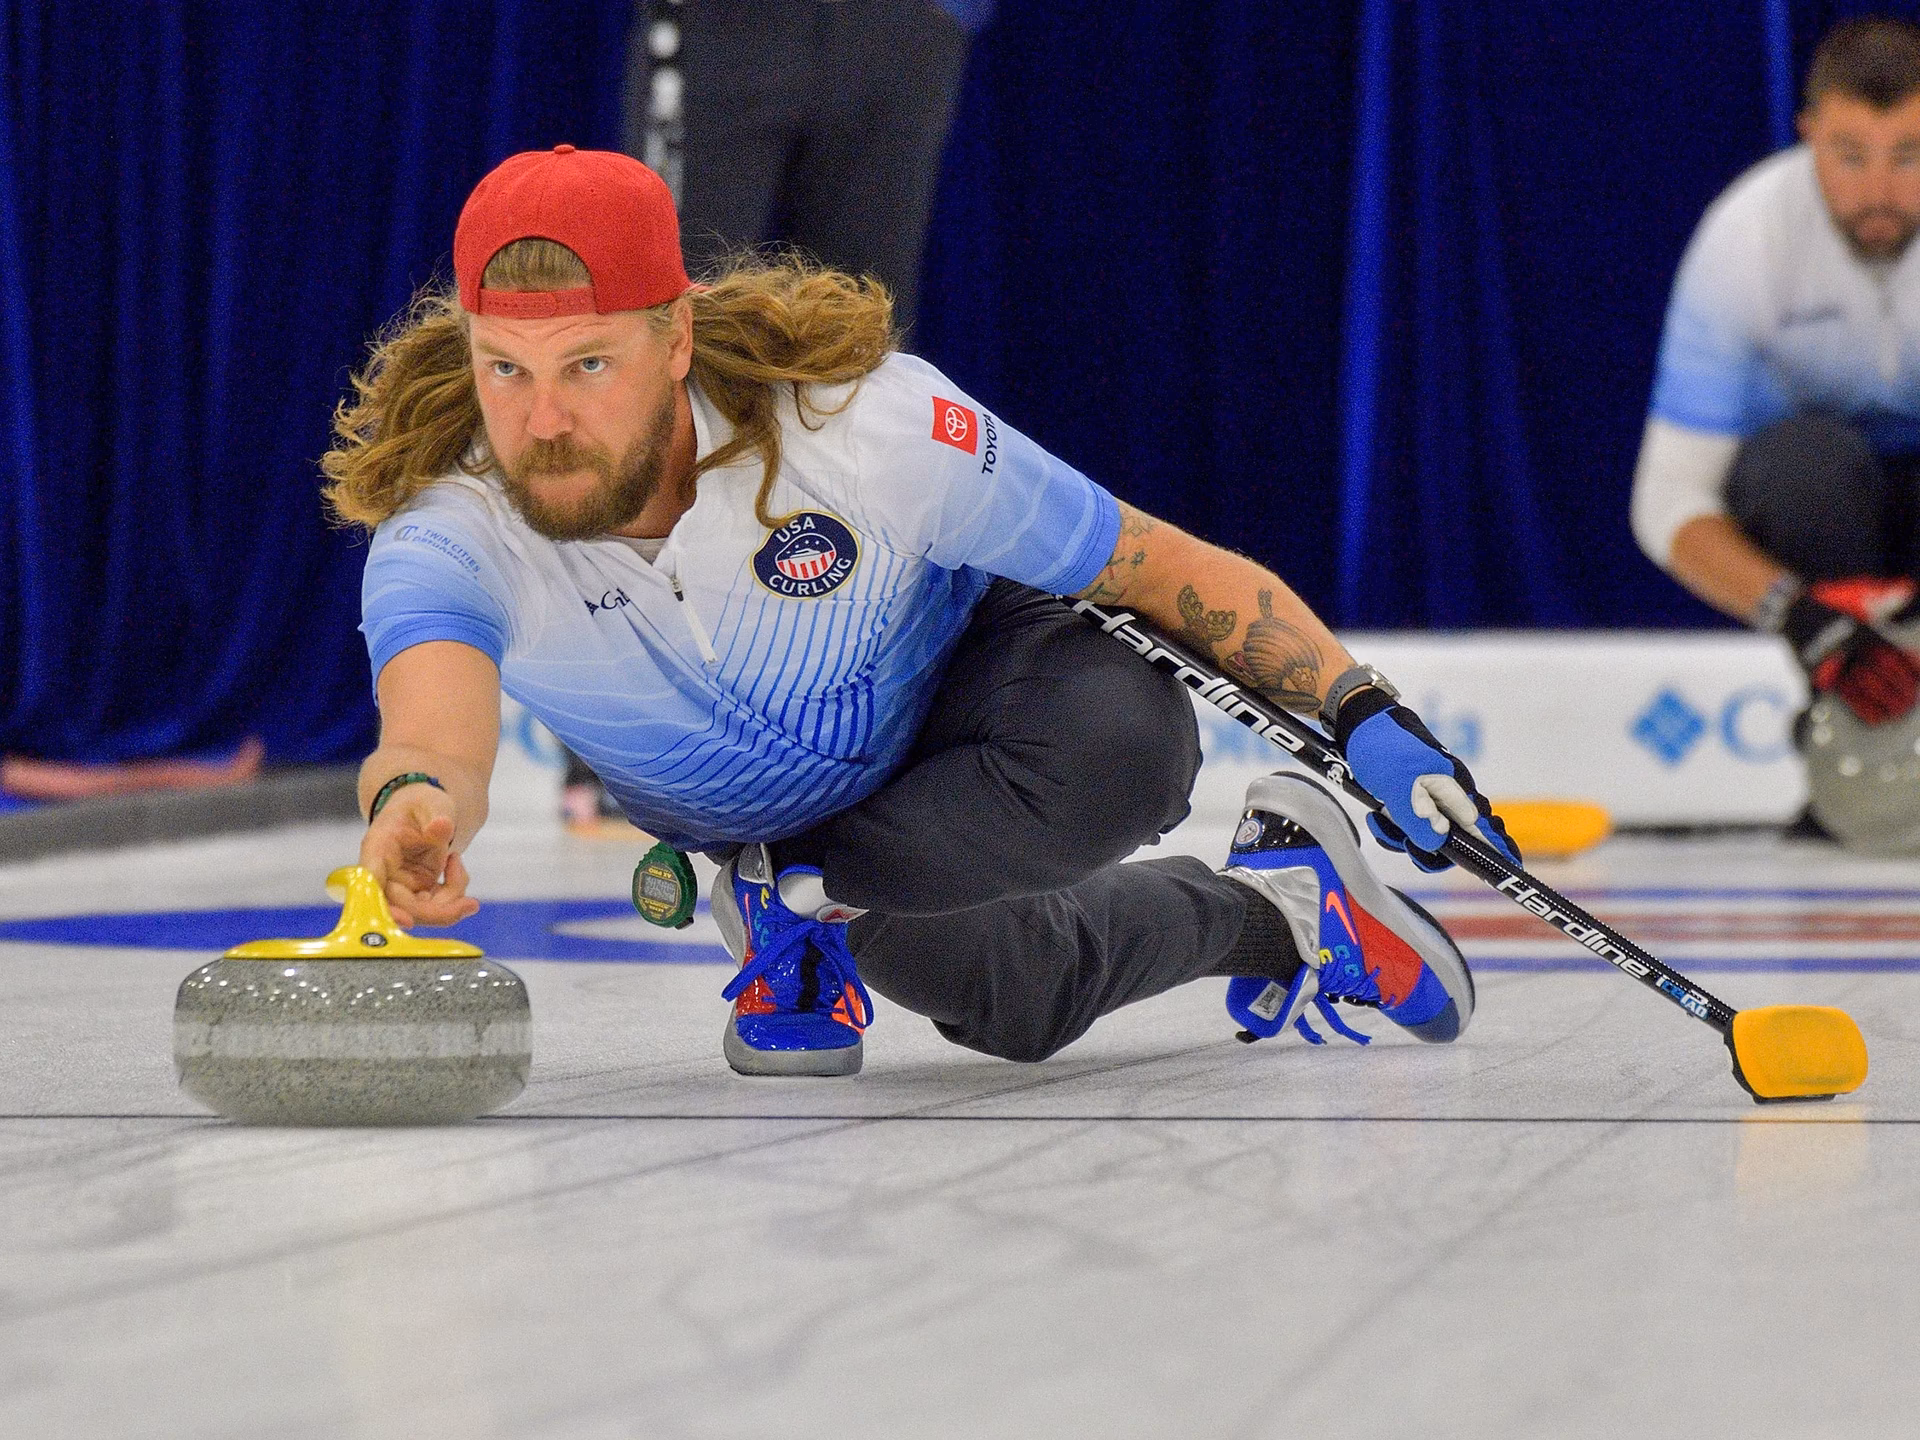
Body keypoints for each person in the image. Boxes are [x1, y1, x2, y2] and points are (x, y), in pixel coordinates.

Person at [322, 146, 1515, 1076]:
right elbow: (432, 732)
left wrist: (1365, 718)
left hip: (959, 699)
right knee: (1027, 1004)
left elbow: (1156, 566)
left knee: (1125, 749)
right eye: (505, 370)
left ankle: (790, 892)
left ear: (674, 335)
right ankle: (1288, 902)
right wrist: (416, 809)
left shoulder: (865, 429)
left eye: (587, 365)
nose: (541, 423)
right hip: (816, 833)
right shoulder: (448, 525)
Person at [1632, 17, 1920, 743]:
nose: (1880, 191)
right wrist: (1797, 614)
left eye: (1911, 155)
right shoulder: (1744, 237)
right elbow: (1668, 499)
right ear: (1807, 135)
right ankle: (1841, 732)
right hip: (1817, 510)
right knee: (1804, 467)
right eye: (1851, 156)